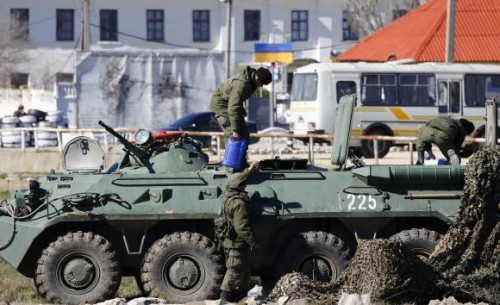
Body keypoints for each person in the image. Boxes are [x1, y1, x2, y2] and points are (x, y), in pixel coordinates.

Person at [209, 66, 272, 168]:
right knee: (233, 133)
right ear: (257, 79)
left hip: (230, 104)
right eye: (261, 84)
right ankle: (231, 166)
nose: (261, 86)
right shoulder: (242, 85)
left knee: (245, 132)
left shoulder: (251, 82)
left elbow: (236, 102)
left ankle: (241, 162)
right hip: (221, 105)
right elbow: (233, 107)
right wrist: (235, 130)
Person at [219, 161, 259, 304]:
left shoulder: (228, 191)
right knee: (234, 269)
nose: (245, 186)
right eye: (244, 184)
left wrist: (249, 170)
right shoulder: (239, 203)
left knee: (241, 268)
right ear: (240, 187)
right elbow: (241, 228)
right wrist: (253, 242)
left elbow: (237, 179)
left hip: (229, 239)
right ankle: (224, 298)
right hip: (236, 241)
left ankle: (238, 295)